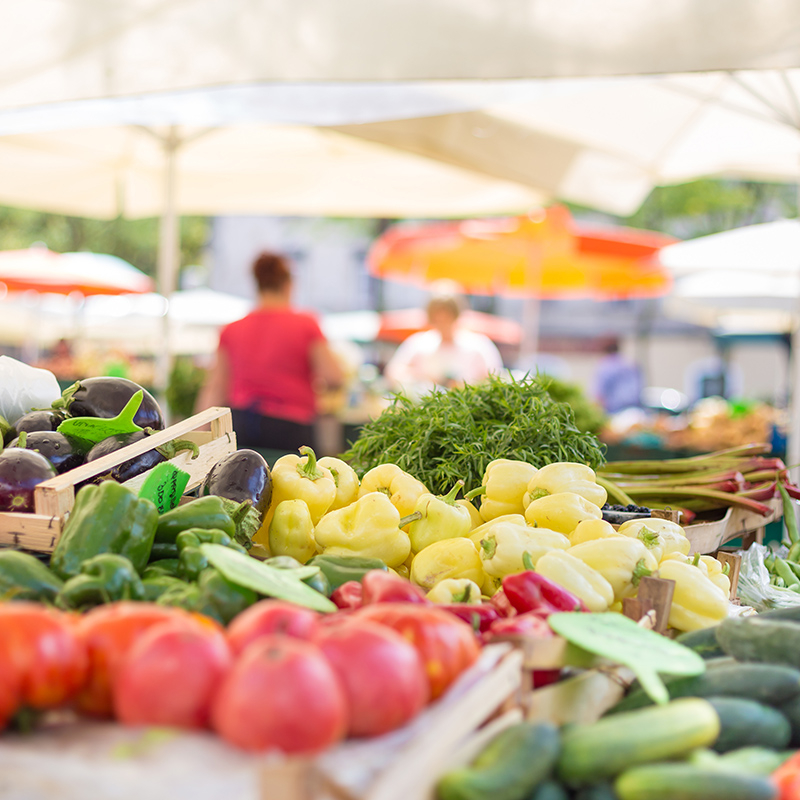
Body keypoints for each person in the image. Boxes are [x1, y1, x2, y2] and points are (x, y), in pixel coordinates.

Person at [195, 250, 343, 453]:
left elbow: (215, 388)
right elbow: (334, 377)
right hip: (292, 427)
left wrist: (198, 436)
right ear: (288, 285)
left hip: (243, 425)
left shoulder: (232, 329)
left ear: (257, 285)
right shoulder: (306, 325)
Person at [384, 285, 504, 396]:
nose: (443, 322)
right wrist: (423, 377)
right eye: (438, 318)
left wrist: (464, 385)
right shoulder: (418, 344)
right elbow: (393, 372)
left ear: (456, 315)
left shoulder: (479, 346)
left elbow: (494, 380)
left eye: (447, 316)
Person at [593, 339, 643, 414]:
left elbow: (599, 393)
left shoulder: (605, 365)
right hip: (634, 409)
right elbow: (640, 387)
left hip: (614, 411)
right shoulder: (631, 363)